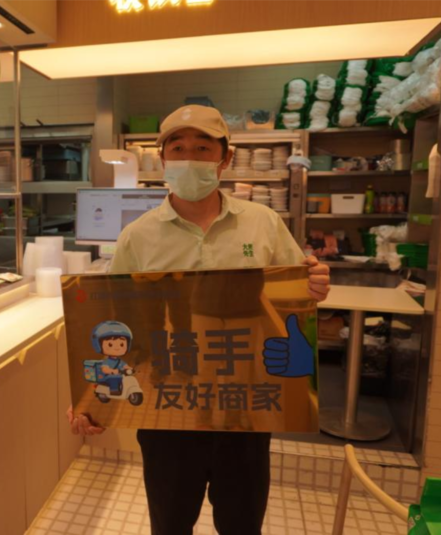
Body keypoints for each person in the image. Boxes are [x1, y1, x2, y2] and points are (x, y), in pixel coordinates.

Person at [68, 105, 331, 535]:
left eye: (203, 148)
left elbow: (293, 298)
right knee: (170, 525)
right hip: (169, 408)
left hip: (245, 406)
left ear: (225, 158)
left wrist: (314, 284)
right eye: (178, 148)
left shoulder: (263, 223)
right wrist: (93, 395)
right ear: (163, 158)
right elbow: (118, 325)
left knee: (242, 525)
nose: (189, 158)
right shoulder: (137, 236)